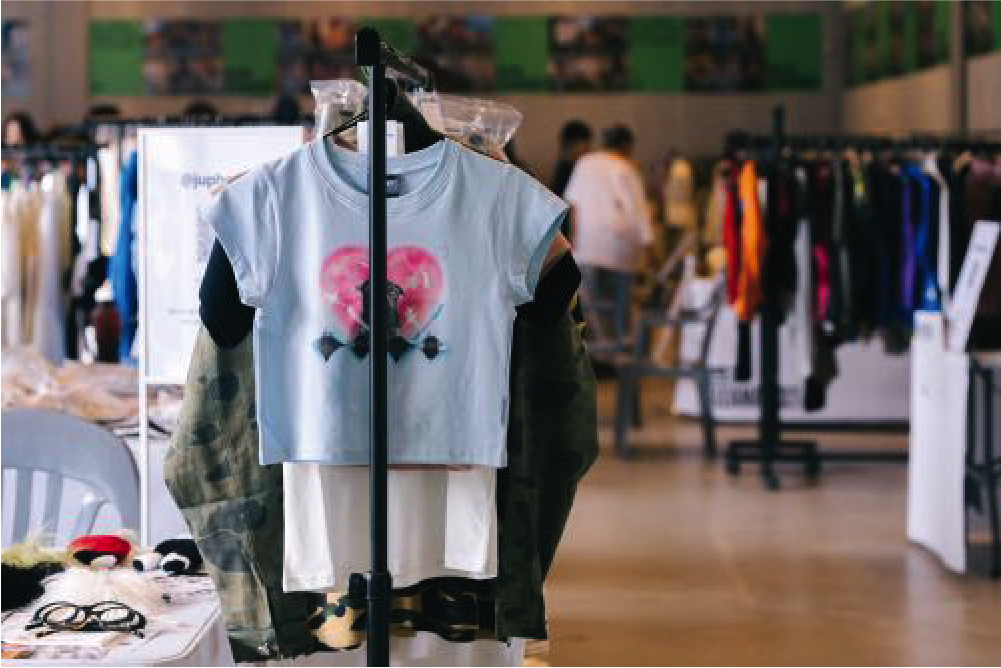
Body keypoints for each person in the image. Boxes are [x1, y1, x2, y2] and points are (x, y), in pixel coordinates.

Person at [563, 124, 653, 346]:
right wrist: (649, 247)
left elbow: (572, 204)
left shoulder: (584, 163)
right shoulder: (626, 168)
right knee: (620, 302)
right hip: (620, 247)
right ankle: (621, 345)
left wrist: (573, 240)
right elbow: (638, 211)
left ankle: (596, 349)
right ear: (626, 145)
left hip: (586, 246)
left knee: (590, 304)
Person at [552, 119, 593, 200]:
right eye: (585, 144)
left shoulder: (569, 166)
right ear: (572, 143)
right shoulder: (567, 171)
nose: (588, 149)